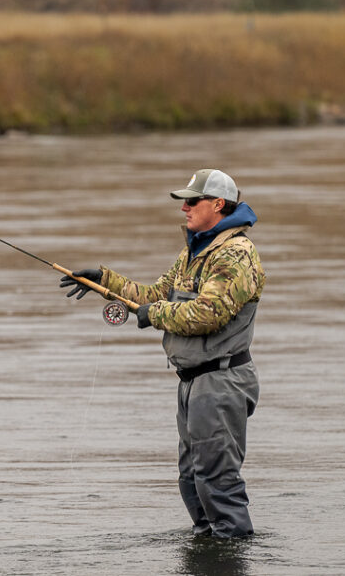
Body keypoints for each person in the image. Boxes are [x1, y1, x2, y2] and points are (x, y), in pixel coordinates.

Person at [59, 168, 264, 539]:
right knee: (191, 480)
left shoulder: (235, 255)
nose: (184, 207)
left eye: (192, 200)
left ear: (218, 204)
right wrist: (104, 282)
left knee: (217, 482)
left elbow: (207, 314)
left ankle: (232, 550)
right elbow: (154, 296)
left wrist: (151, 316)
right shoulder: (194, 250)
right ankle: (209, 547)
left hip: (221, 382)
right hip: (193, 383)